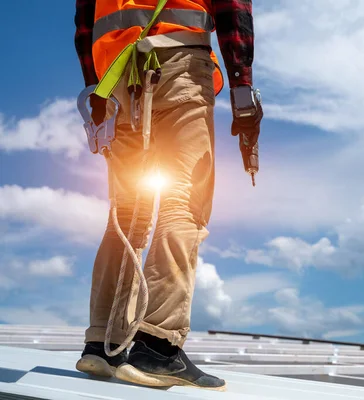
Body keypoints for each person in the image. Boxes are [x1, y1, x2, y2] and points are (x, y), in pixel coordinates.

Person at [73, 0, 263, 391]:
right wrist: (242, 84)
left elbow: (83, 24)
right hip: (179, 67)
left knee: (126, 213)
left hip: (115, 78)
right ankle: (158, 346)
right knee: (185, 200)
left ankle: (103, 345)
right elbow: (232, 12)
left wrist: (95, 86)